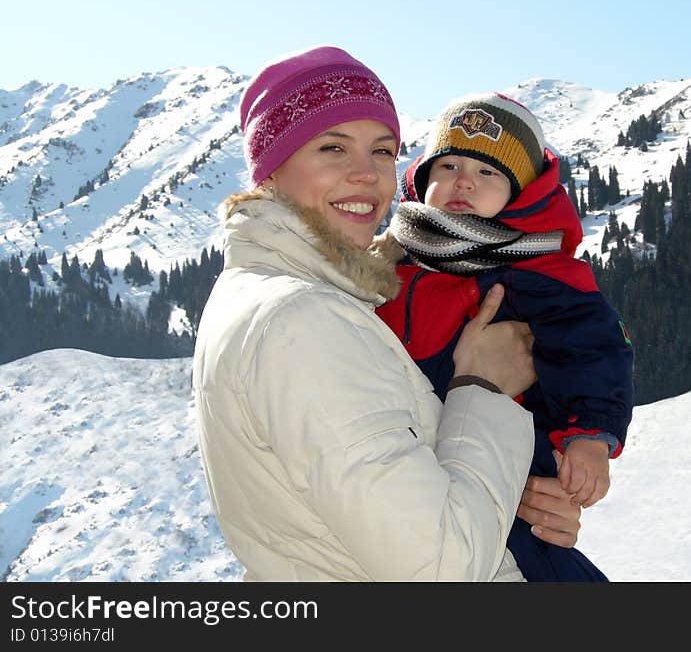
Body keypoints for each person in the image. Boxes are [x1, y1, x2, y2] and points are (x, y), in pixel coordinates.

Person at [192, 46, 583, 581]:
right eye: (332, 148)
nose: (367, 175)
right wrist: (484, 389)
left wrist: (513, 499)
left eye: (382, 151)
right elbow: (441, 568)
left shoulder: (271, 293)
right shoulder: (299, 322)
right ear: (272, 171)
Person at [375, 92, 635, 581]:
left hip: (508, 461)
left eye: (489, 172)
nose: (464, 180)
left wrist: (590, 436)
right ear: (422, 178)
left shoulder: (539, 269)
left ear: (522, 192)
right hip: (411, 462)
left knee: (529, 559)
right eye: (448, 165)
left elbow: (593, 350)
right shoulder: (391, 260)